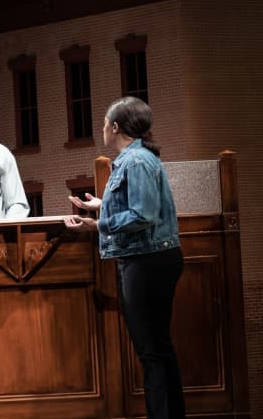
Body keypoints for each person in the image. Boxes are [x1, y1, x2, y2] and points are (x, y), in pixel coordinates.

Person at [63, 96, 185, 419]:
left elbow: (143, 214)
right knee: (157, 348)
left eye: (105, 123)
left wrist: (97, 224)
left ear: (115, 127)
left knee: (152, 352)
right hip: (150, 259)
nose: (102, 129)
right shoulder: (136, 159)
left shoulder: (136, 161)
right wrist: (102, 204)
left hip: (147, 262)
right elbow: (137, 205)